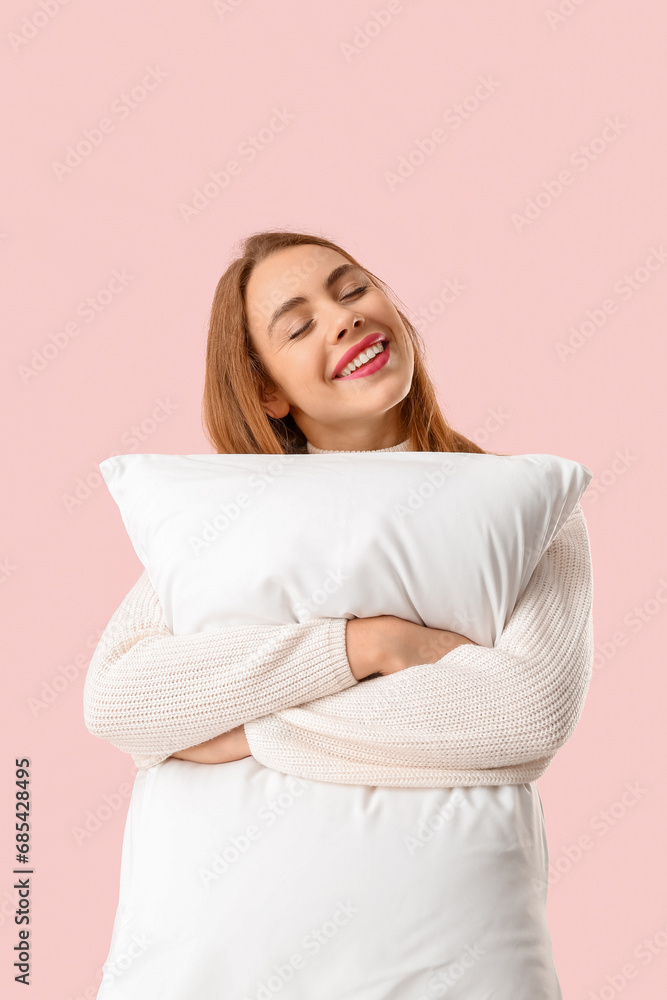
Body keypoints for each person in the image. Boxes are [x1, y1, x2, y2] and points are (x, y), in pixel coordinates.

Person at [83, 230, 594, 996]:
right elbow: (124, 702)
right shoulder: (227, 521)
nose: (344, 317)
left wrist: (251, 732)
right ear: (267, 391)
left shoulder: (520, 502)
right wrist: (367, 647)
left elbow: (524, 716)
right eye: (298, 325)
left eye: (353, 290)